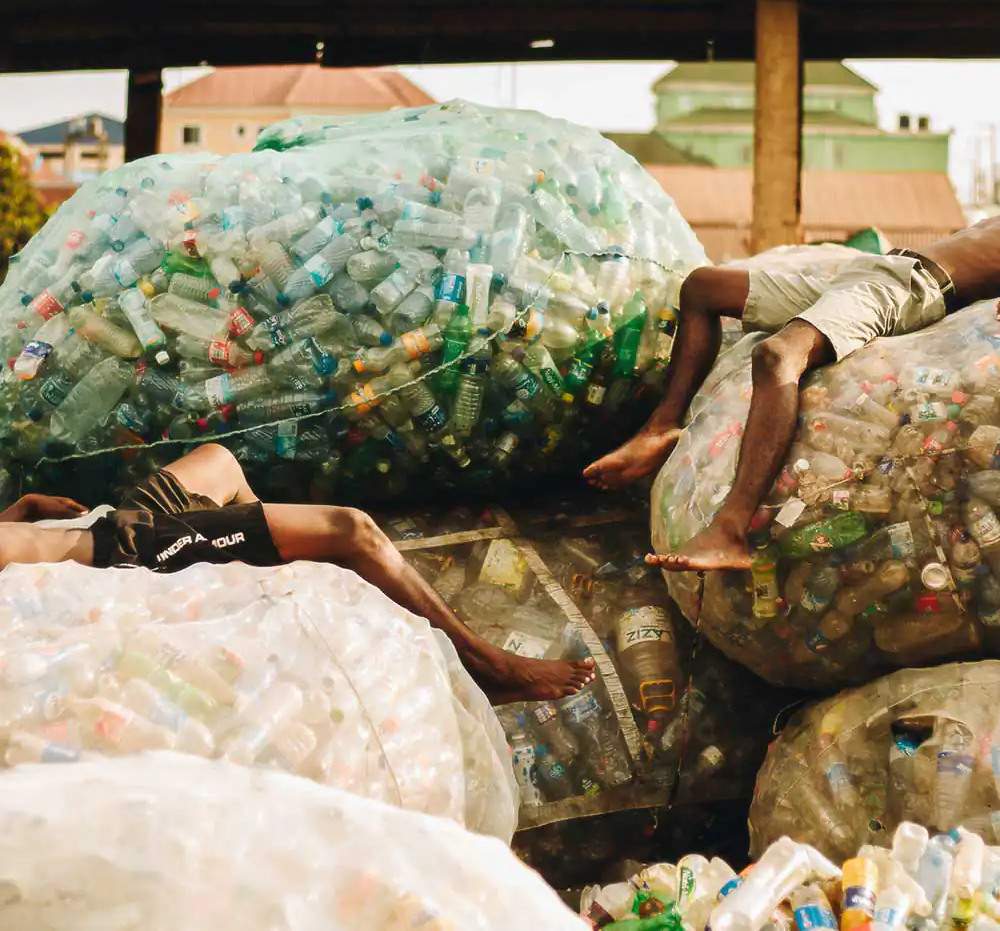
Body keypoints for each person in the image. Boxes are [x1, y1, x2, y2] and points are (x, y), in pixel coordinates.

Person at [0, 443, 595, 705]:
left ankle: (282, 567)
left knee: (218, 462)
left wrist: (21, 509)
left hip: (107, 527)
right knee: (351, 529)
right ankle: (486, 665)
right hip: (124, 558)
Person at [584, 221, 1000, 571]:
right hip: (877, 271)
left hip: (907, 287)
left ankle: (730, 530)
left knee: (779, 355)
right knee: (702, 288)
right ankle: (660, 428)